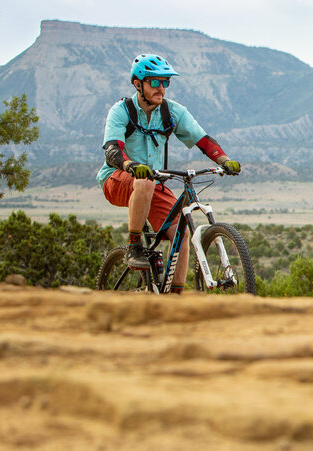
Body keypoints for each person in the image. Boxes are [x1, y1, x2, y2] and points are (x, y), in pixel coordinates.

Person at [97, 54, 241, 292]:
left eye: (166, 82)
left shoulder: (172, 112)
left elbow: (203, 140)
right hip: (117, 179)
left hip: (154, 182)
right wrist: (130, 166)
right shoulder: (121, 111)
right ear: (137, 84)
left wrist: (224, 160)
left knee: (180, 233)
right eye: (155, 82)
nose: (161, 88)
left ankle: (174, 295)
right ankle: (134, 246)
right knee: (143, 182)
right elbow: (112, 150)